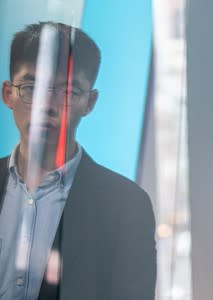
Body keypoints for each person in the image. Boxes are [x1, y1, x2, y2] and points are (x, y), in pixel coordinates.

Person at [0, 22, 156, 299]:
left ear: (90, 102)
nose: (46, 105)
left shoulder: (126, 206)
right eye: (31, 87)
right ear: (8, 93)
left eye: (68, 92)